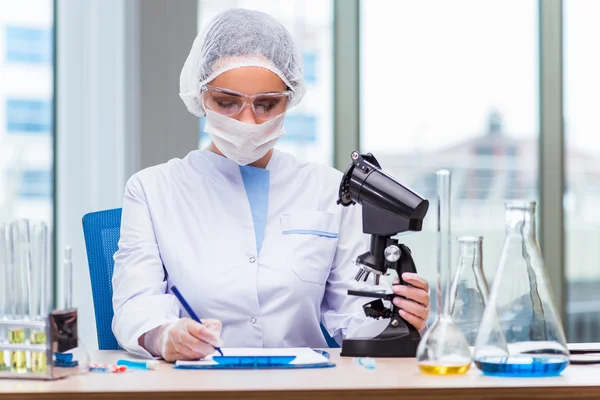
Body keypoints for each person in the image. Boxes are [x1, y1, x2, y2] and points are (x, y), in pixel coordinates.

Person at [111, 8, 430, 362]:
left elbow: (354, 316)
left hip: (304, 386)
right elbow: (134, 304)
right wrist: (164, 336)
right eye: (227, 102)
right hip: (196, 385)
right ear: (200, 94)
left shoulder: (330, 191)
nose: (248, 121)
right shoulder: (153, 190)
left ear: (290, 99)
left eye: (266, 104)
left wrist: (401, 317)